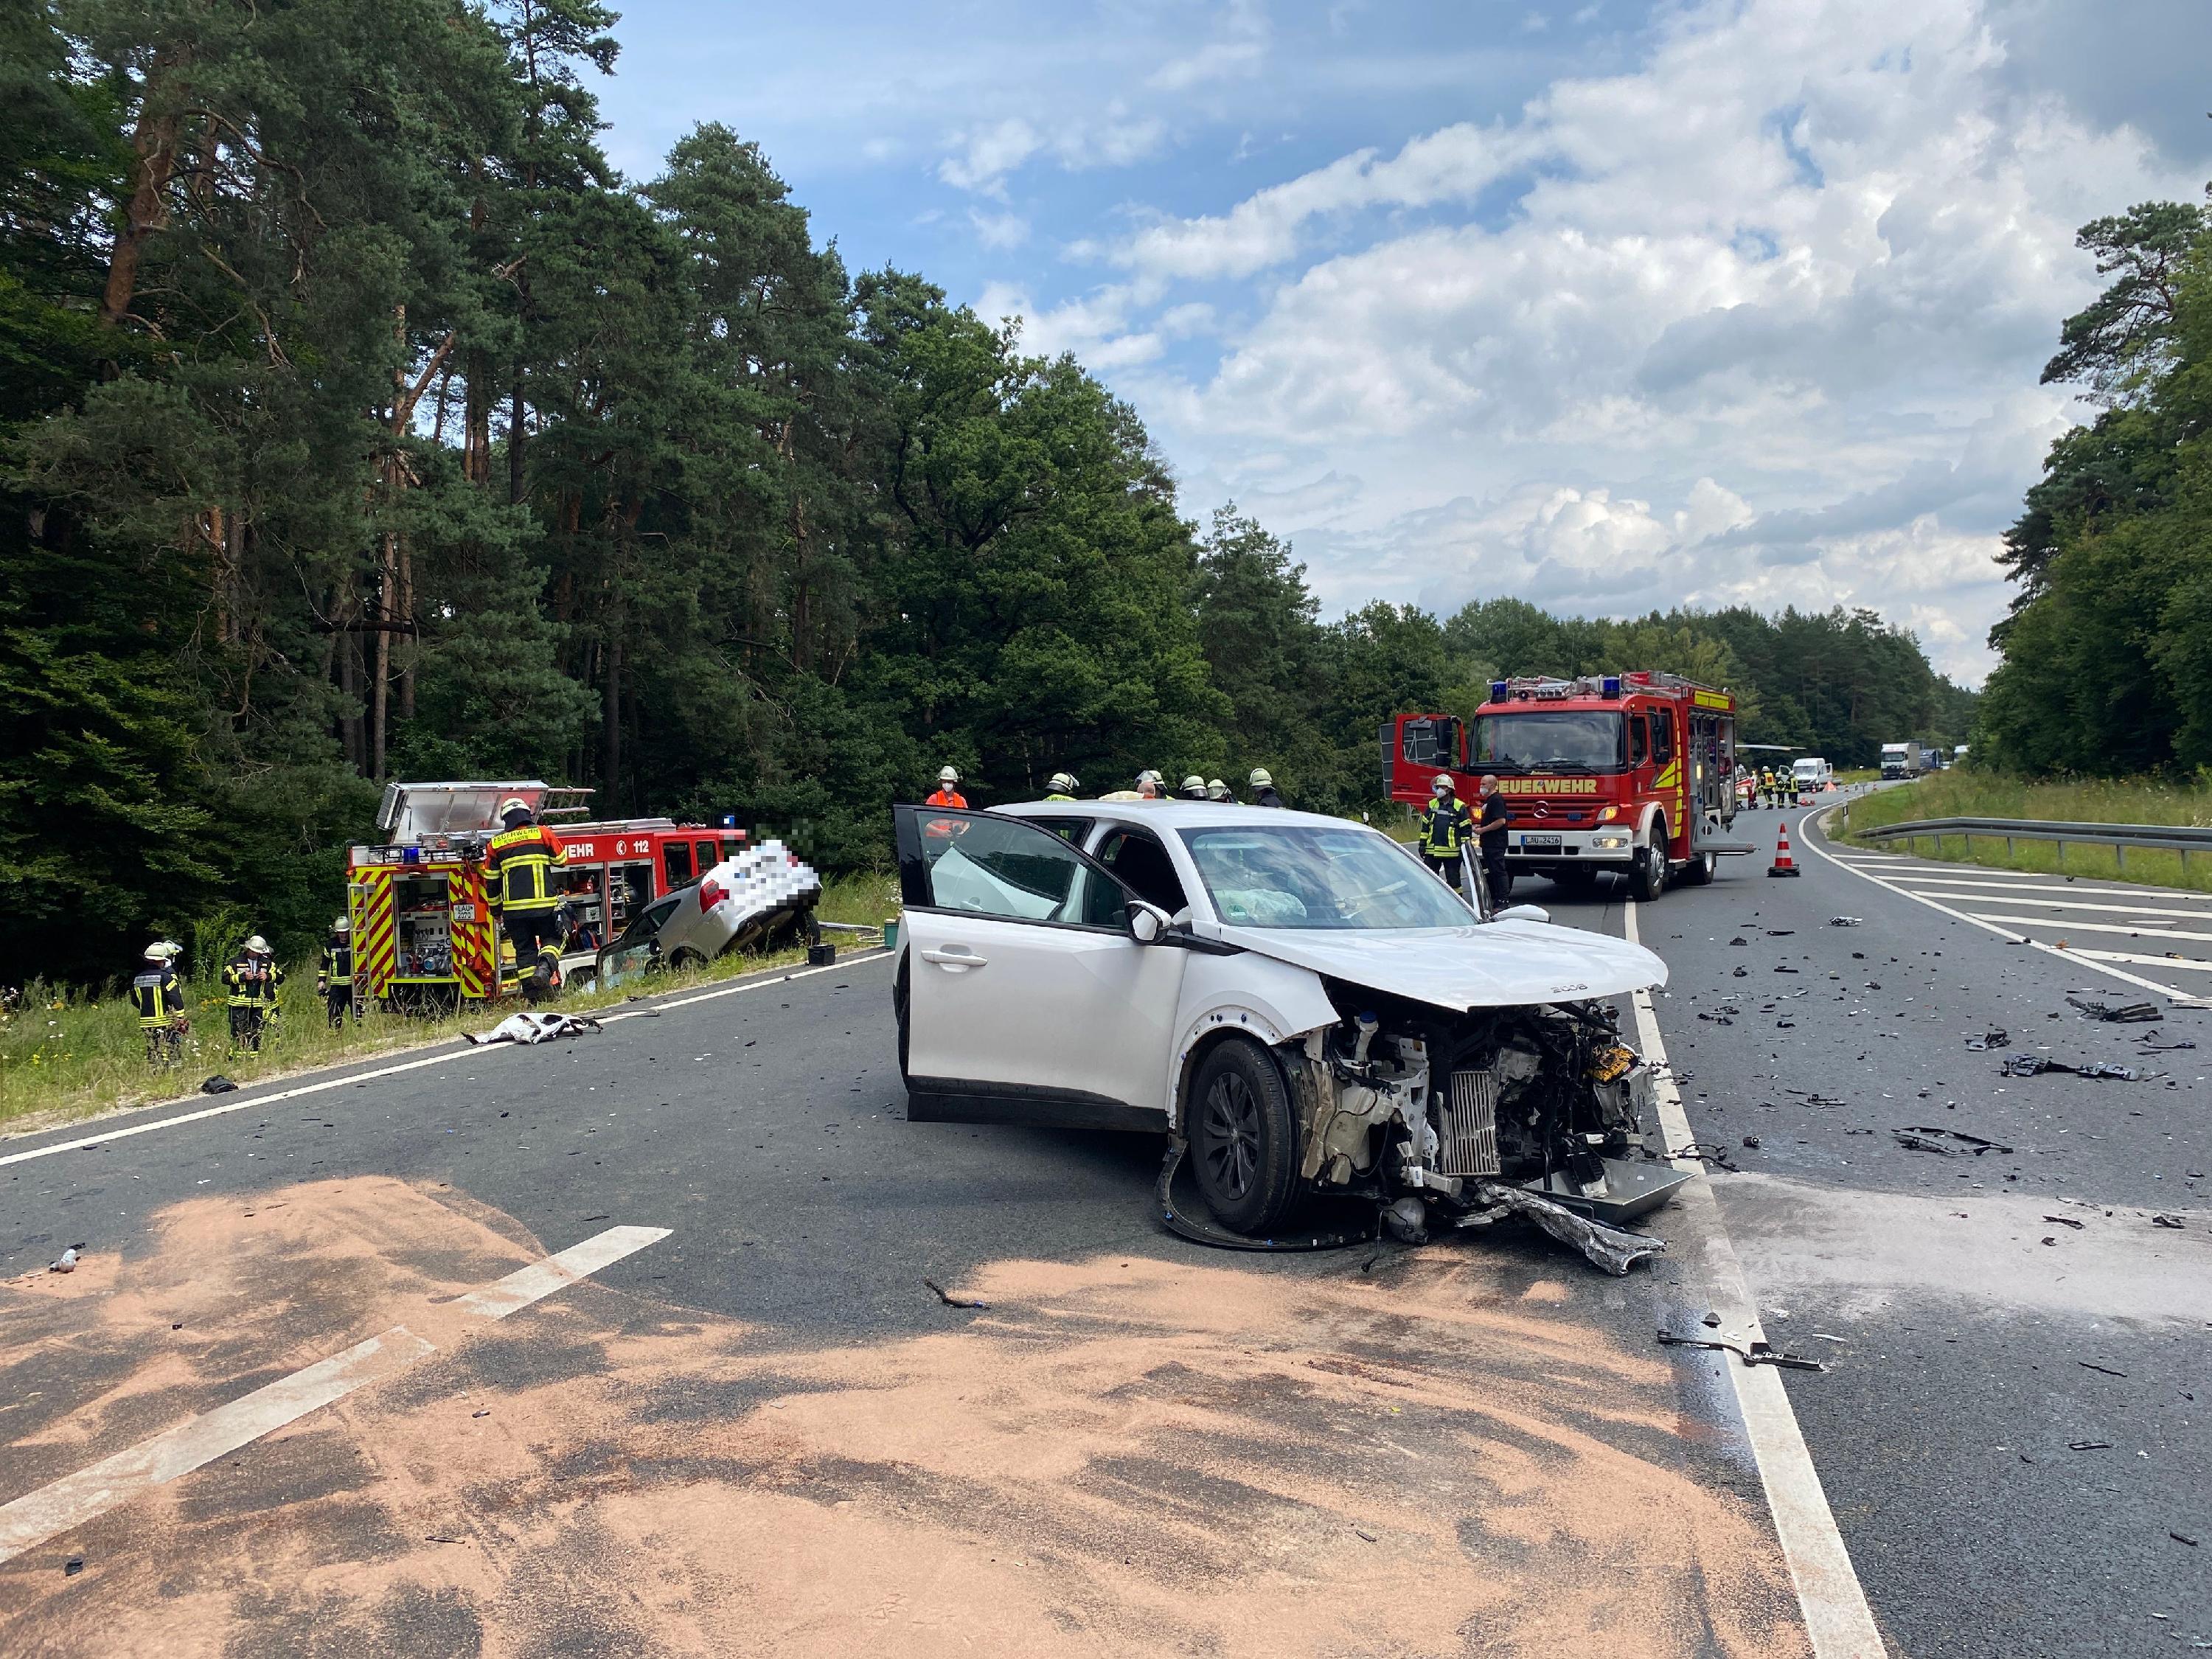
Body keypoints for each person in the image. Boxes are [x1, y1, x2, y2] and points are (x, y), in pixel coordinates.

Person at [485, 796, 568, 1000]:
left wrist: (496, 912)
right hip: (544, 908)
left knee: (524, 953)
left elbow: (491, 883)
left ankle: (535, 998)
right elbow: (562, 860)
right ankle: (545, 969)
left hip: (514, 913)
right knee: (557, 936)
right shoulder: (542, 833)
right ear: (527, 815)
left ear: (506, 819)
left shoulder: (495, 844)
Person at [222, 935, 282, 1053]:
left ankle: (254, 1057)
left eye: (258, 952)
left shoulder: (267, 963)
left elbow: (281, 978)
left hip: (258, 1005)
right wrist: (242, 977)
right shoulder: (235, 962)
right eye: (253, 952)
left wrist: (268, 976)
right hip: (238, 1005)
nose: (255, 954)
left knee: (256, 1033)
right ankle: (236, 1057)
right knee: (238, 1032)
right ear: (248, 949)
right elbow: (224, 979)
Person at [131, 942, 187, 1066]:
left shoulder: (138, 979)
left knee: (153, 1048)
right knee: (170, 1048)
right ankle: (172, 1070)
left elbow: (135, 1001)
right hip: (165, 1021)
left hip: (146, 1022)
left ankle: (155, 1069)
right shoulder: (166, 977)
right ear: (162, 960)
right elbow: (176, 999)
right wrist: (180, 1018)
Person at [1416, 773, 1473, 894]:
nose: (1439, 790)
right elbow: (1425, 826)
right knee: (1429, 880)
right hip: (1432, 851)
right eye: (1438, 787)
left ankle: (1457, 902)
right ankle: (1431, 901)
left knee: (1454, 882)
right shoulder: (1432, 804)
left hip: (1452, 853)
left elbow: (1466, 830)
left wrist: (1465, 851)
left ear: (1449, 789)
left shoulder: (1459, 806)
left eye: (1442, 787)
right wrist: (1422, 844)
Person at [1476, 774, 1511, 906]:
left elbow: (1501, 821)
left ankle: (1503, 900)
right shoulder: (1489, 800)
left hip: (1496, 842)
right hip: (1489, 842)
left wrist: (1483, 830)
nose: (1481, 787)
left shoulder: (1497, 799)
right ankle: (1496, 899)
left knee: (1498, 871)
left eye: (1484, 784)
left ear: (1492, 785)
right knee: (1492, 871)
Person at [316, 916, 356, 1029]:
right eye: (341, 933)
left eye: (345, 932)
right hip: (337, 986)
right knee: (333, 1012)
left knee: (357, 1013)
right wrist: (321, 981)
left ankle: (359, 1033)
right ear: (337, 933)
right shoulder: (330, 945)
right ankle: (335, 1034)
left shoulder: (355, 943)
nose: (344, 935)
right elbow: (324, 965)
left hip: (353, 985)